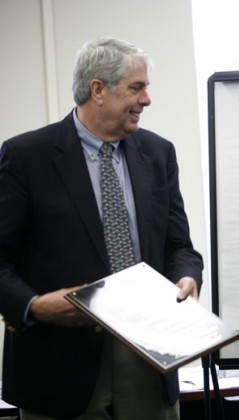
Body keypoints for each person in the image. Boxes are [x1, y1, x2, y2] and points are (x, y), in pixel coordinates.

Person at [0, 37, 203, 419]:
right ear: (98, 90)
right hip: (59, 371)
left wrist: (189, 277)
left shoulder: (159, 154)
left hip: (150, 361)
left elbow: (179, 246)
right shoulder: (27, 157)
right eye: (136, 87)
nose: (146, 100)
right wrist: (33, 306)